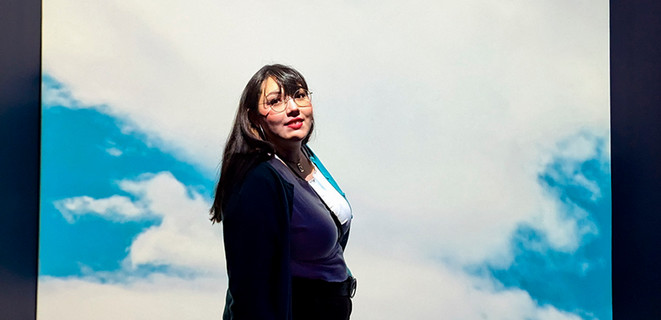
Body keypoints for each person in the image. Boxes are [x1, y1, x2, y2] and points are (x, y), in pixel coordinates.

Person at [211, 64, 355, 320]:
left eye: (299, 95)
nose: (293, 108)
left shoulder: (306, 158)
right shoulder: (256, 178)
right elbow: (249, 288)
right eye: (275, 101)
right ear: (254, 117)